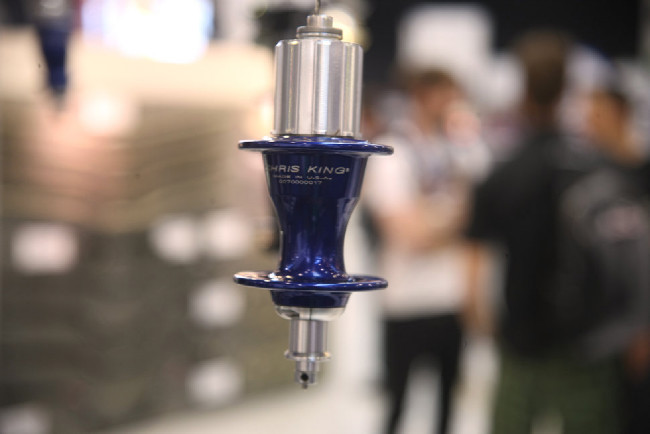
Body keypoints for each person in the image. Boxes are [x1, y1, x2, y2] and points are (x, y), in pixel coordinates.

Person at [464, 31, 650, 434]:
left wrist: (487, 328)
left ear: (521, 91)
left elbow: (474, 278)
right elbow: (633, 258)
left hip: (521, 341)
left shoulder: (502, 174)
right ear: (567, 89)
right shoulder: (598, 169)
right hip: (589, 344)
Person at [364, 69, 488, 434]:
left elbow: (478, 216)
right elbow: (409, 235)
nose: (452, 105)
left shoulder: (457, 149)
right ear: (422, 95)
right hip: (406, 301)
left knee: (447, 406)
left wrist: (437, 221)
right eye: (445, 96)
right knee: (397, 404)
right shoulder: (392, 150)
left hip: (450, 298)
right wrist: (456, 221)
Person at [584, 84, 650, 434]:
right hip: (599, 330)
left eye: (597, 115)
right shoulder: (588, 174)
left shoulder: (641, 172)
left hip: (637, 329)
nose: (589, 124)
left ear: (620, 114)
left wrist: (643, 327)